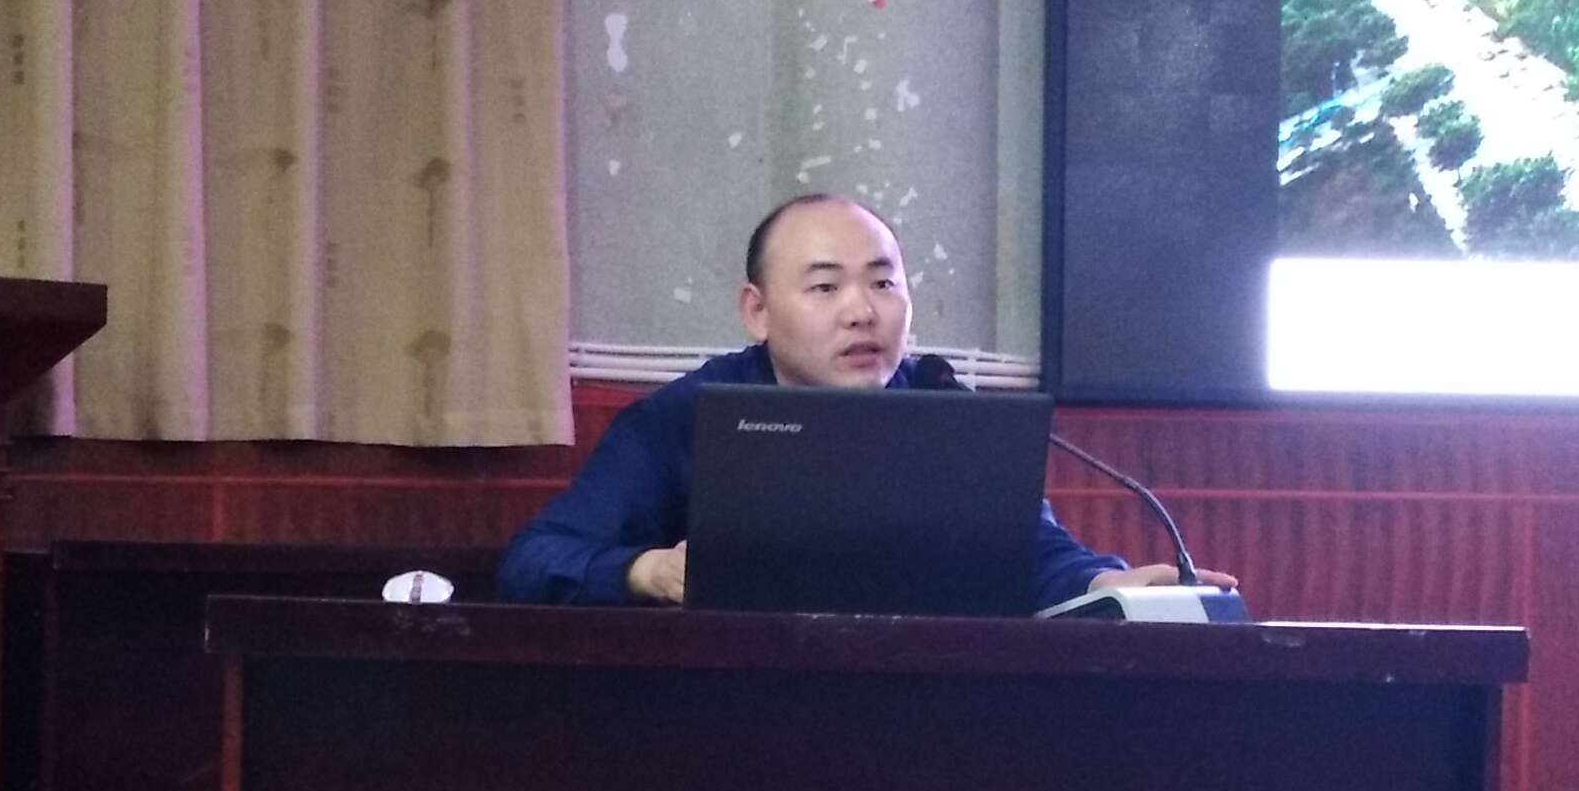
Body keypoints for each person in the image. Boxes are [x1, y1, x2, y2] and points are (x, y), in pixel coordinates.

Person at [498, 192, 1238, 610]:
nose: (862, 311)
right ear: (757, 311)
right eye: (825, 287)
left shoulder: (945, 409)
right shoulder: (683, 418)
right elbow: (535, 561)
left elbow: (1031, 554)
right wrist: (647, 571)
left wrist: (1104, 584)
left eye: (883, 283)